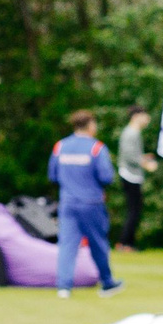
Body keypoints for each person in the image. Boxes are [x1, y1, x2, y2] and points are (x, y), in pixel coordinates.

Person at [48, 110, 123, 299]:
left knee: (67, 244)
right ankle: (107, 282)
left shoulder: (60, 146)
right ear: (90, 125)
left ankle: (64, 287)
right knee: (98, 243)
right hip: (92, 203)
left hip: (67, 203)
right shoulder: (96, 148)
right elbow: (106, 176)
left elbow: (53, 175)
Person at [115, 106, 151, 251]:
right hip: (130, 175)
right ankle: (125, 243)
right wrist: (145, 163)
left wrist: (144, 158)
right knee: (133, 211)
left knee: (135, 210)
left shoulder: (133, 133)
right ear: (136, 116)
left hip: (133, 175)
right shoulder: (130, 133)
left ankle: (127, 243)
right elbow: (129, 155)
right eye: (145, 115)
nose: (147, 119)